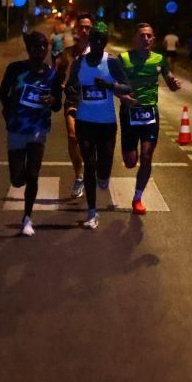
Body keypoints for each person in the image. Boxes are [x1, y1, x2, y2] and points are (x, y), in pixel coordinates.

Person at [64, 24, 132, 229]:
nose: (98, 43)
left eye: (102, 40)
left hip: (106, 124)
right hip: (85, 122)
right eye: (94, 39)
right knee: (90, 165)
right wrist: (71, 89)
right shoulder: (79, 63)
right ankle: (92, 212)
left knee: (103, 167)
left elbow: (127, 87)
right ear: (89, 41)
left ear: (106, 42)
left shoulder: (111, 62)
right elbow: (70, 85)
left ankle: (104, 177)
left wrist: (109, 85)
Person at [0, 32, 63, 237]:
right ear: (29, 49)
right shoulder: (15, 69)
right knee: (18, 179)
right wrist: (9, 112)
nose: (41, 50)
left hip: (38, 128)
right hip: (17, 128)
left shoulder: (52, 75)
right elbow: (2, 94)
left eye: (44, 46)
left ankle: (27, 218)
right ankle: (21, 180)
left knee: (33, 174)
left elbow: (57, 104)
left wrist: (52, 100)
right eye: (37, 46)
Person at [119, 23, 181, 213]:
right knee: (130, 161)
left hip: (149, 114)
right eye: (142, 35)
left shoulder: (159, 59)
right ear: (134, 39)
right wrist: (123, 97)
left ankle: (137, 198)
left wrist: (173, 83)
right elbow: (115, 84)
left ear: (153, 39)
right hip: (129, 113)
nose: (146, 39)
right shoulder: (123, 59)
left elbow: (169, 79)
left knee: (146, 156)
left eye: (149, 36)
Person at [55, 13, 93, 199]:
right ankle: (79, 176)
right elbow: (59, 73)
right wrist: (60, 84)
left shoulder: (98, 54)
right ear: (77, 28)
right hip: (73, 99)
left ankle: (91, 171)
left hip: (92, 101)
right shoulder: (68, 52)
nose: (84, 30)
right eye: (82, 27)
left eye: (88, 27)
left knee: (89, 142)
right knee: (72, 137)